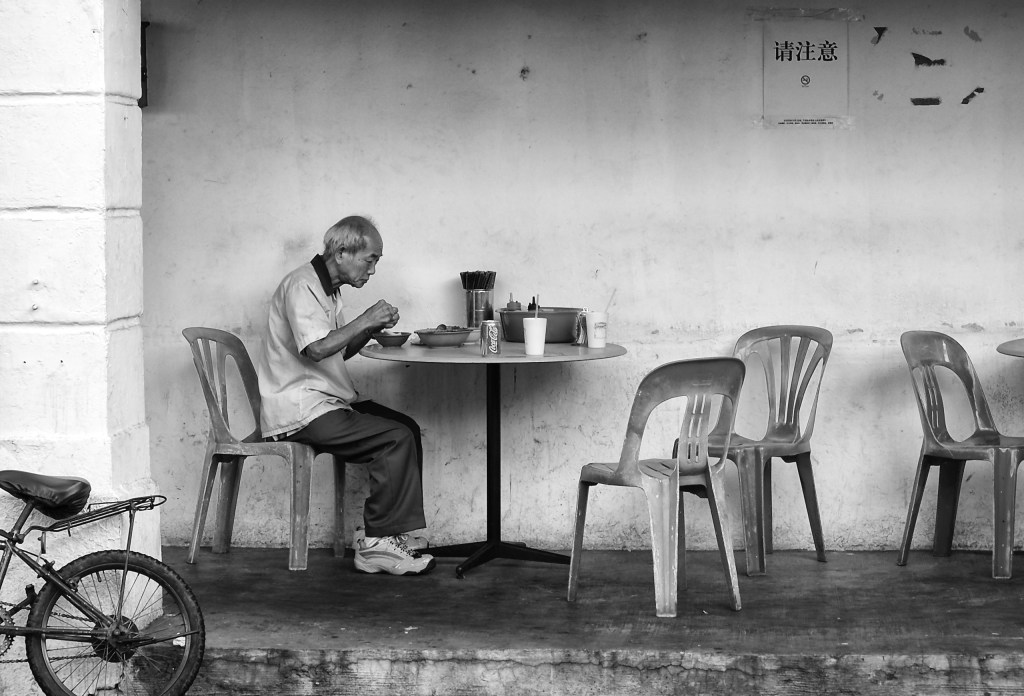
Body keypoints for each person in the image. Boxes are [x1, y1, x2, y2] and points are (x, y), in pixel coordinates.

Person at [256, 215, 434, 576]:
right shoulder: (302, 285)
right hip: (302, 409)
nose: (373, 270)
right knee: (394, 438)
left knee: (407, 428)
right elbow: (317, 350)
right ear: (341, 253)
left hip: (324, 401)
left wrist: (369, 329)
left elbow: (335, 351)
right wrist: (365, 319)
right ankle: (376, 544)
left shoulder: (328, 290)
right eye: (370, 259)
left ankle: (392, 533)